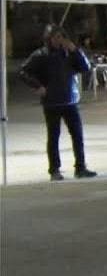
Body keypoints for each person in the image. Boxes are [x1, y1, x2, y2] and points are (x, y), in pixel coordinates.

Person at [20, 26, 96, 181]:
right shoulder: (41, 55)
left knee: (77, 135)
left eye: (61, 37)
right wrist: (37, 86)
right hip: (52, 102)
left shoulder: (69, 53)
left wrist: (75, 51)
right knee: (54, 136)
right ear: (49, 39)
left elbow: (85, 67)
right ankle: (54, 169)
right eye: (55, 37)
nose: (59, 40)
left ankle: (80, 167)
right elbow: (23, 72)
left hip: (70, 100)